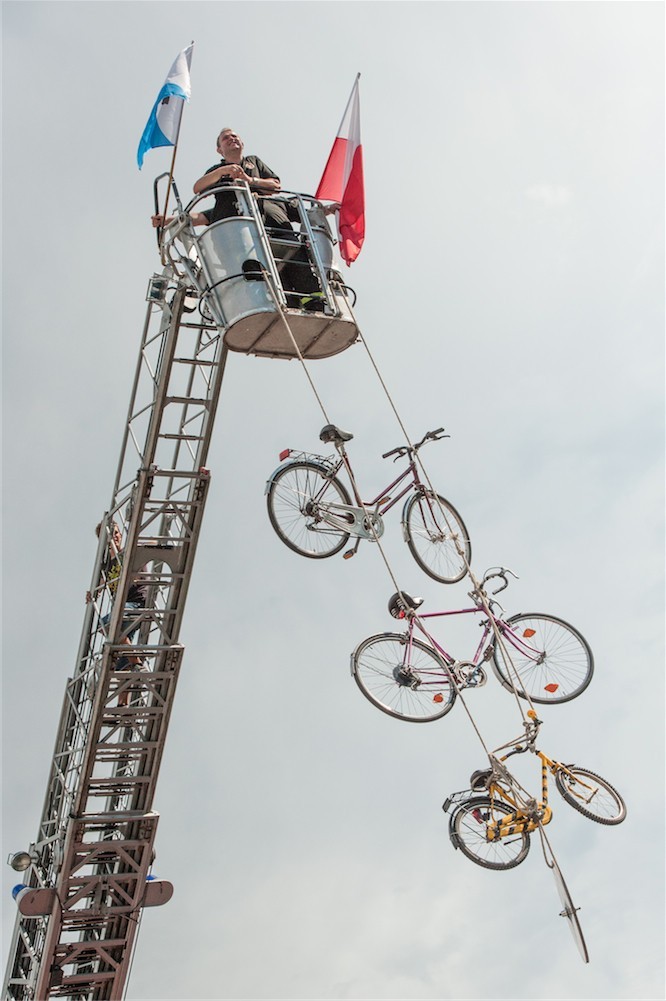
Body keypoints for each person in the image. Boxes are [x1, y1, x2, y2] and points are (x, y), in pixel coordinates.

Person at [192, 128, 323, 305]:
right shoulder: (218, 180)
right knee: (257, 272)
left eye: (234, 136)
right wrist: (222, 172)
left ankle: (312, 302)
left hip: (272, 230)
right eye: (225, 138)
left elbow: (275, 185)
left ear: (242, 143)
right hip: (239, 235)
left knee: (295, 261)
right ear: (219, 150)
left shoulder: (255, 164)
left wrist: (249, 180)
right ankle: (272, 303)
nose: (232, 139)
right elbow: (198, 189)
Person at [92, 521, 148, 678]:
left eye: (116, 533)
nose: (114, 537)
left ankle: (136, 662)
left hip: (136, 603)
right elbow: (98, 589)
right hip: (125, 611)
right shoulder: (107, 567)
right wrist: (92, 594)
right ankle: (123, 703)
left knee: (106, 623)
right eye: (109, 535)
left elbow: (152, 545)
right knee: (122, 666)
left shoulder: (129, 552)